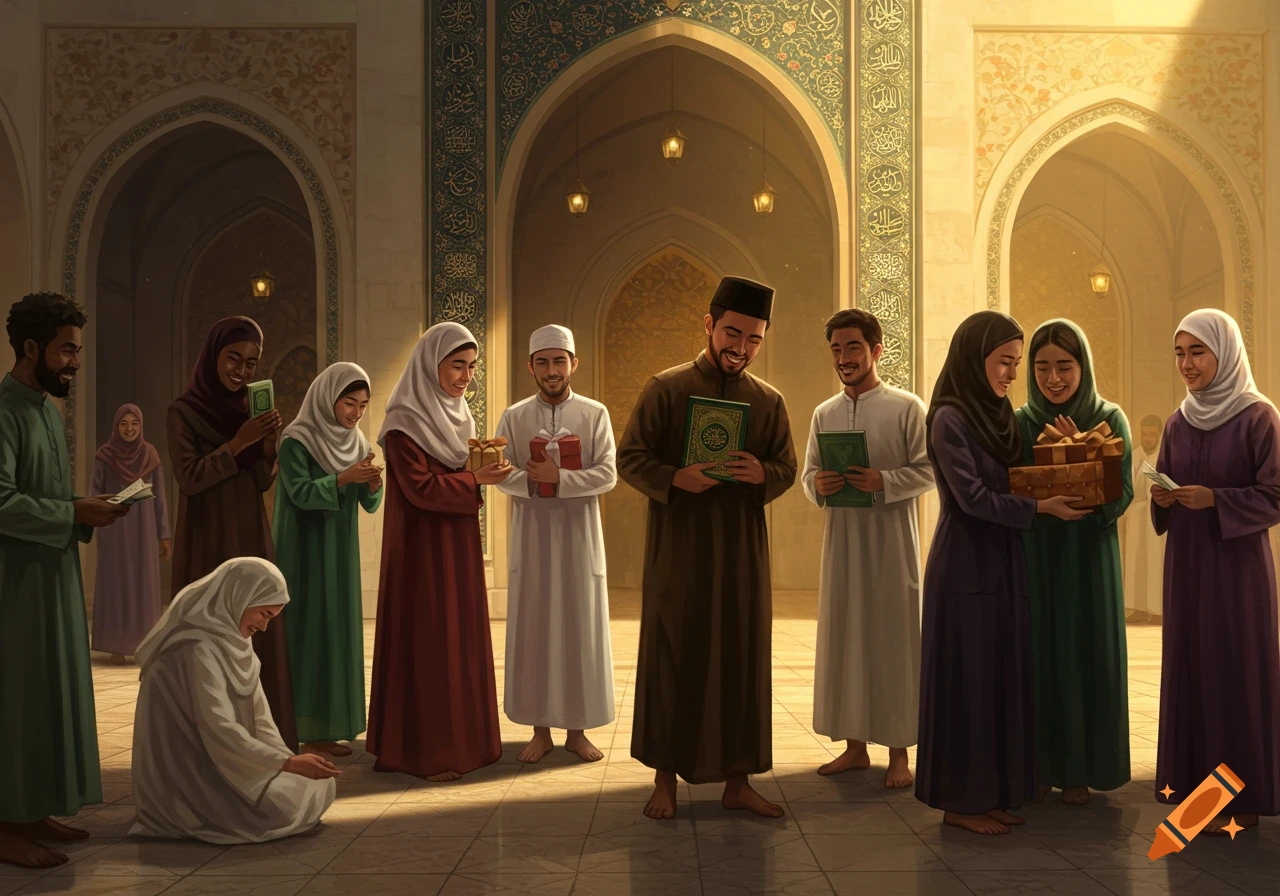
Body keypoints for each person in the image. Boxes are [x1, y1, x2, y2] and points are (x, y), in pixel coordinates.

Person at [617, 275, 797, 820]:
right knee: (675, 653)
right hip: (680, 551)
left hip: (742, 552)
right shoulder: (665, 388)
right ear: (709, 324)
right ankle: (664, 779)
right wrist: (675, 478)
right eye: (732, 334)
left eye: (754, 340)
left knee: (741, 656)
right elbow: (631, 458)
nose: (741, 349)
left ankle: (738, 781)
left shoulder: (768, 402)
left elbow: (787, 467)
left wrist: (758, 471)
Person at [914, 310, 1089, 836]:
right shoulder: (949, 417)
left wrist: (1068, 451)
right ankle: (958, 801)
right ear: (975, 358)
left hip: (1005, 559)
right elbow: (971, 498)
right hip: (965, 564)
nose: (1012, 375)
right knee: (967, 682)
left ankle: (988, 793)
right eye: (1005, 363)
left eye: (1016, 364)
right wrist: (1040, 510)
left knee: (998, 681)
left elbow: (1019, 476)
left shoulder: (998, 414)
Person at [0, 293, 130, 869]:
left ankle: (30, 810)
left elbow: (49, 496)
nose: (74, 361)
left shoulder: (46, 411)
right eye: (67, 350)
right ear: (32, 348)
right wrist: (72, 513)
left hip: (51, 577)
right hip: (14, 586)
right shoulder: (4, 411)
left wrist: (86, 507)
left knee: (46, 693)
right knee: (17, 699)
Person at [1150, 308, 1280, 833]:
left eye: (1197, 351)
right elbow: (1168, 486)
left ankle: (1242, 800)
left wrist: (1216, 500)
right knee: (1194, 670)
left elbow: (1275, 495)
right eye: (1179, 353)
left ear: (1224, 352)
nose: (1187, 363)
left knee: (1236, 672)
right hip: (1188, 566)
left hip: (1238, 570)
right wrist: (1163, 496)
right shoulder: (1178, 421)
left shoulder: (1258, 417)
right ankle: (1195, 793)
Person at [366, 322, 512, 782]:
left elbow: (453, 475)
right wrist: (475, 480)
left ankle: (467, 744)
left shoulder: (459, 416)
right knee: (430, 639)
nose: (465, 377)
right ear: (431, 365)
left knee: (457, 636)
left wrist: (482, 469)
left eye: (471, 367)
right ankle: (427, 754)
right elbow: (420, 488)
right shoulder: (403, 423)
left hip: (457, 543)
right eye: (457, 366)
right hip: (421, 552)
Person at [801, 308, 934, 788]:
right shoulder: (825, 413)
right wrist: (818, 482)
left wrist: (885, 480)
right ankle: (855, 748)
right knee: (847, 641)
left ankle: (899, 753)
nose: (843, 358)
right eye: (836, 349)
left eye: (852, 347)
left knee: (895, 643)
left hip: (891, 544)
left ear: (876, 350)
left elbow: (928, 469)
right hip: (843, 547)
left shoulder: (906, 407)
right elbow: (807, 475)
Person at [131, 557, 340, 844]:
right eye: (264, 614)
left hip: (230, 760)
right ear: (240, 597)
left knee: (321, 784)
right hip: (194, 773)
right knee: (287, 802)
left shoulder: (233, 640)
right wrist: (287, 765)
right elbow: (218, 728)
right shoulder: (196, 647)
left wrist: (289, 759)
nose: (264, 627)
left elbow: (261, 719)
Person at [1014, 319, 1133, 807]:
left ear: (1082, 365)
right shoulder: (1020, 421)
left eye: (1065, 366)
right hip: (1038, 554)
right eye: (1042, 367)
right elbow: (1011, 483)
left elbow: (1122, 490)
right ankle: (1041, 766)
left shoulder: (1110, 416)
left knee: (1087, 654)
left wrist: (1083, 451)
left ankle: (1082, 770)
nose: (1054, 378)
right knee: (1039, 655)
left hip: (1089, 556)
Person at [167, 316, 296, 751]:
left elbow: (261, 481)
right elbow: (189, 477)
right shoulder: (183, 411)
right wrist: (237, 444)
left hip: (248, 532)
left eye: (251, 364)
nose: (241, 371)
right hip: (209, 539)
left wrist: (267, 448)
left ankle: (265, 745)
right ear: (213, 356)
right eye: (233, 359)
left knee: (255, 629)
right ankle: (213, 749)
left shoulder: (249, 412)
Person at [494, 324, 617, 764]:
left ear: (573, 365)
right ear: (531, 366)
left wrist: (559, 478)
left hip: (578, 536)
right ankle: (540, 730)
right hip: (533, 535)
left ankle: (577, 731)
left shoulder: (594, 413)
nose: (551, 370)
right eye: (543, 362)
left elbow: (607, 473)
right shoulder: (513, 415)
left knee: (576, 626)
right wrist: (530, 479)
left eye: (559, 361)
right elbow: (497, 469)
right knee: (535, 626)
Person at [273, 362, 383, 758]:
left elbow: (368, 503)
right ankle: (301, 727)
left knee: (336, 632)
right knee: (308, 633)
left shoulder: (354, 442)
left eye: (363, 406)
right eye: (349, 403)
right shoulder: (296, 441)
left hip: (339, 553)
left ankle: (330, 726)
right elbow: (299, 493)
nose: (355, 413)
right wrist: (342, 478)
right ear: (327, 398)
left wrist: (371, 483)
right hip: (303, 552)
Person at [90, 404, 171, 664]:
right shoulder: (105, 456)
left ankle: (144, 644)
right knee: (117, 584)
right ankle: (116, 646)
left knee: (143, 584)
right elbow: (93, 494)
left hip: (144, 532)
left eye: (134, 424)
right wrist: (100, 515)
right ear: (116, 426)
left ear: (141, 426)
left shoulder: (150, 455)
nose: (129, 429)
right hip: (115, 530)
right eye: (124, 424)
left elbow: (160, 500)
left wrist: (164, 535)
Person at [1123, 414, 1166, 621]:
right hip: (1136, 514)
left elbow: (1166, 485)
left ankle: (1157, 610)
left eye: (1152, 434)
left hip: (1156, 514)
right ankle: (1138, 608)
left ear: (1159, 434)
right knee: (1136, 561)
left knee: (1154, 562)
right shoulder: (1134, 455)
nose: (1147, 438)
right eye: (1144, 433)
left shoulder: (1165, 455)